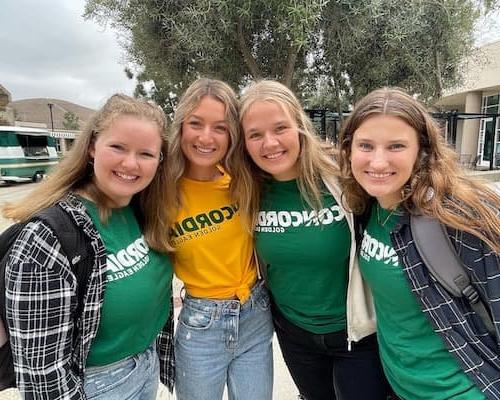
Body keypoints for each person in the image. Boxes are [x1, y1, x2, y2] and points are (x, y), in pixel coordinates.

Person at [3, 94, 174, 400]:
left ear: (160, 161)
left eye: (146, 154)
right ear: (93, 146)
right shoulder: (46, 238)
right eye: (118, 147)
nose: (130, 163)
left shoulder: (142, 208)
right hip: (95, 386)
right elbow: (43, 375)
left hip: (146, 368)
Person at [337, 87, 500, 400]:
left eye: (396, 146)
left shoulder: (456, 216)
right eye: (366, 146)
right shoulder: (368, 206)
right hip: (400, 387)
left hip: (463, 390)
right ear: (348, 150)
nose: (379, 161)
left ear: (422, 151)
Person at [234, 79, 391, 400]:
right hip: (294, 335)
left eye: (280, 128)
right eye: (255, 134)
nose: (270, 143)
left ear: (299, 126)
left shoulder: (344, 177)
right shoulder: (247, 191)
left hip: (357, 335)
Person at [165, 78, 273, 400]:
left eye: (220, 128)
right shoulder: (158, 191)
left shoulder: (245, 182)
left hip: (254, 312)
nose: (206, 137)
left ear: (232, 135)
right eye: (195, 124)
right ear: (181, 126)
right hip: (200, 325)